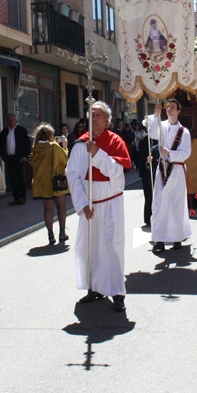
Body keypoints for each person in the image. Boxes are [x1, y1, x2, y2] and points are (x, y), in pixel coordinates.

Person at [65, 101, 132, 312]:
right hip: (90, 207)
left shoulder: (115, 141)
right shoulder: (79, 144)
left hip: (111, 202)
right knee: (90, 248)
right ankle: (94, 287)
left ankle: (117, 292)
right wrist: (82, 203)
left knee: (113, 246)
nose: (94, 119)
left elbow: (117, 171)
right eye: (91, 115)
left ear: (107, 120)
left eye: (99, 115)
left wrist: (98, 154)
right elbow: (73, 175)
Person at [147, 100, 192, 252]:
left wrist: (170, 153)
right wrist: (155, 115)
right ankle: (159, 239)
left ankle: (177, 238)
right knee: (160, 203)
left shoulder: (184, 131)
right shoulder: (162, 125)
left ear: (179, 110)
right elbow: (151, 132)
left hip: (177, 170)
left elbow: (186, 152)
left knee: (176, 203)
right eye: (167, 107)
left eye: (173, 107)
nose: (169, 109)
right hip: (162, 168)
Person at [31, 123, 70, 244]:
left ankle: (50, 235)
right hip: (56, 180)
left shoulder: (36, 148)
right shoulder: (54, 146)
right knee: (61, 207)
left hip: (42, 182)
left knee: (48, 209)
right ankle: (62, 233)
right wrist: (64, 146)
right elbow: (65, 160)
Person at [0, 113, 31, 205]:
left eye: (13, 120)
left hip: (19, 158)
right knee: (12, 178)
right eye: (9, 120)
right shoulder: (4, 132)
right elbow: (1, 145)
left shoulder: (21, 130)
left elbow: (27, 144)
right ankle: (16, 197)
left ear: (16, 120)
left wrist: (25, 155)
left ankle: (23, 196)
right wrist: (4, 157)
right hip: (9, 158)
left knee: (20, 177)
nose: (11, 121)